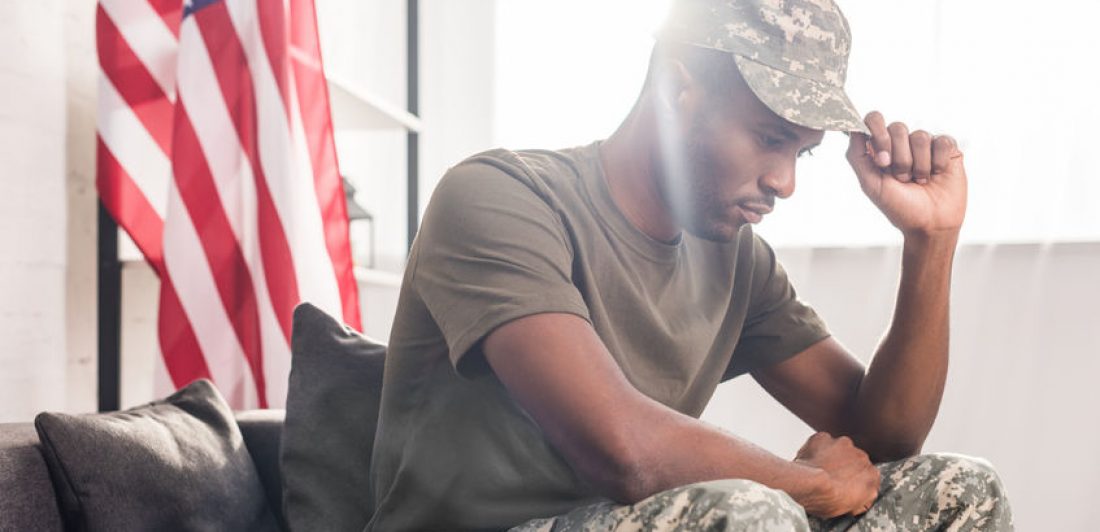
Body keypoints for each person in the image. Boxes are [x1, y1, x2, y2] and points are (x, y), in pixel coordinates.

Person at [365, 0, 1013, 530]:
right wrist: (808, 485)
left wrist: (931, 241)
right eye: (769, 140)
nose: (785, 182)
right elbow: (623, 449)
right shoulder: (500, 197)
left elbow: (885, 442)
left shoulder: (735, 261)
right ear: (678, 88)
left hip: (648, 520)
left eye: (803, 154)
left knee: (953, 489)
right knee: (751, 511)